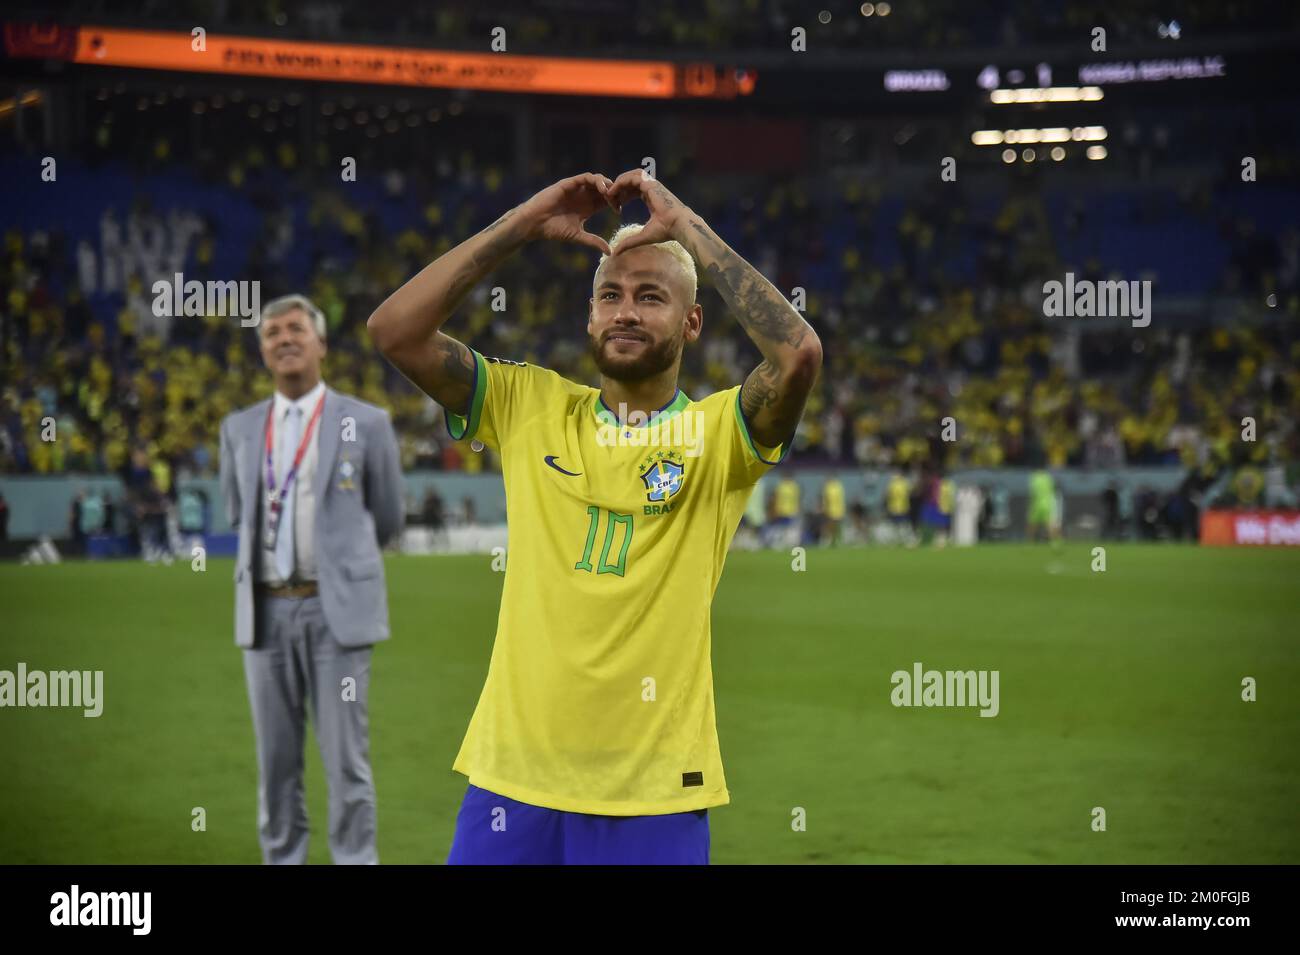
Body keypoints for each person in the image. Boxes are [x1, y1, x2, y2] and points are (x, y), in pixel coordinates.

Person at [368, 169, 821, 864]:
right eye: (610, 295)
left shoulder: (717, 435)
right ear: (589, 316)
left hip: (653, 791)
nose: (626, 312)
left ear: (692, 321)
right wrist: (521, 221)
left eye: (650, 296)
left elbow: (798, 356)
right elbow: (393, 330)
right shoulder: (528, 404)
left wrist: (691, 233)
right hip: (512, 779)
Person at [219, 294, 404, 865]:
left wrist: (341, 569)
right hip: (266, 615)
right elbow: (235, 511)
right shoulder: (240, 429)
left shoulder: (367, 423)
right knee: (276, 764)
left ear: (321, 343)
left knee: (346, 761)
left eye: (296, 328)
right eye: (271, 332)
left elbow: (389, 515)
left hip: (336, 615)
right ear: (263, 352)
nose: (283, 338)